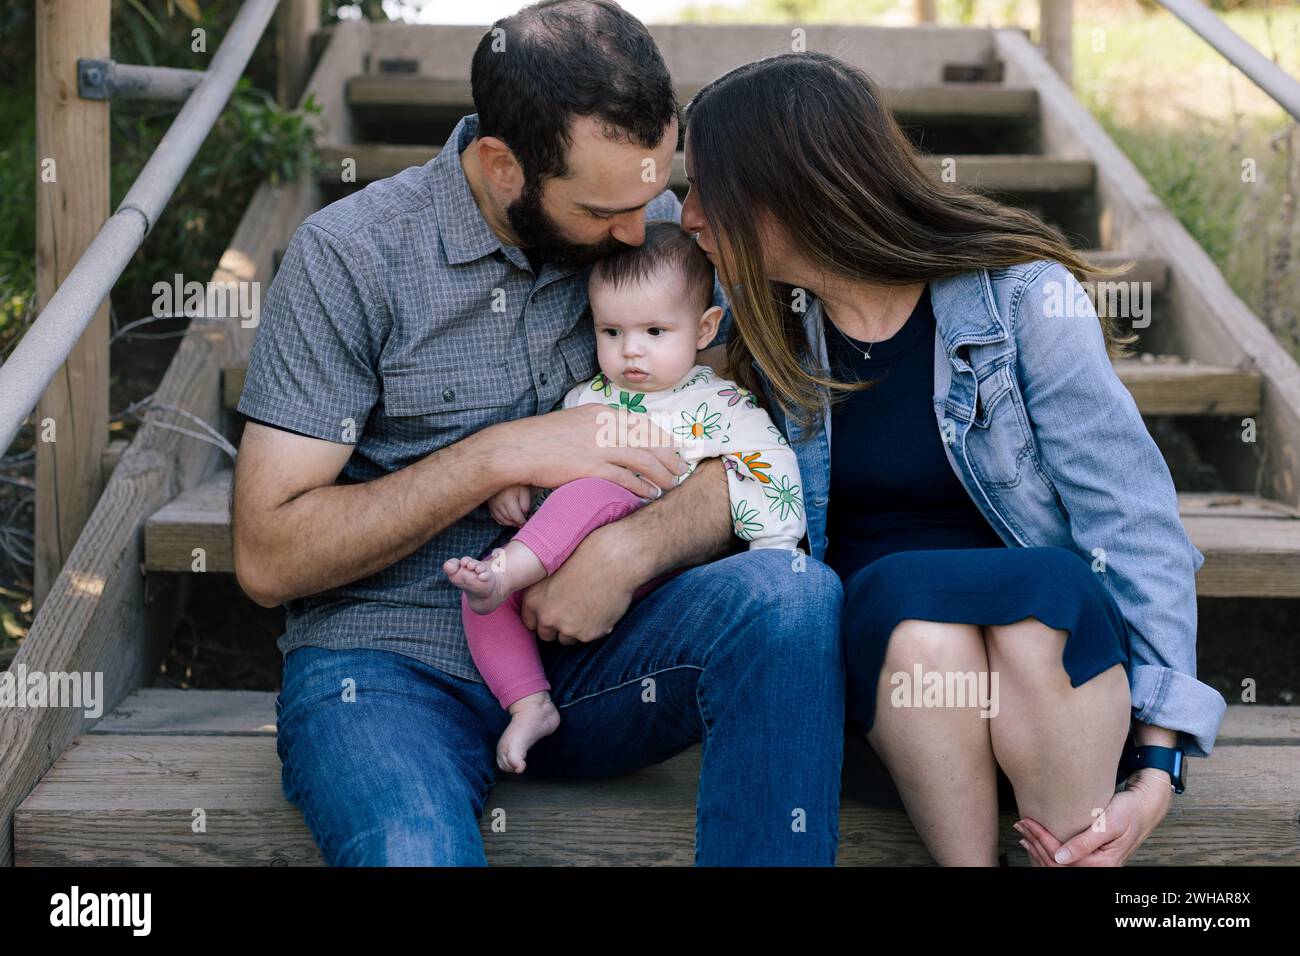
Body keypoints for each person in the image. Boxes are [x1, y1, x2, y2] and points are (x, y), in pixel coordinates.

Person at [231, 2, 844, 866]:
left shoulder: (657, 232)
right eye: (603, 210)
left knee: (792, 594)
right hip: (391, 668)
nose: (641, 229)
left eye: (651, 191)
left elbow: (744, 444)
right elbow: (267, 557)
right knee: (411, 853)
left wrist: (631, 553)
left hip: (604, 655)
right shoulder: (350, 257)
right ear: (501, 166)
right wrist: (501, 453)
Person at [679, 51, 1227, 866]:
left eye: (706, 189)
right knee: (917, 620)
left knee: (1048, 595)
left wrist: (1158, 763)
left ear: (790, 190)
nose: (688, 216)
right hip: (892, 700)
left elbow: (1132, 518)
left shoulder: (1020, 298)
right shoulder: (755, 330)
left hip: (1056, 697)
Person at [446, 223, 805, 774]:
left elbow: (769, 465)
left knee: (592, 492)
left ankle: (506, 571)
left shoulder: (723, 404)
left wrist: (774, 551)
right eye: (611, 332)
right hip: (558, 569)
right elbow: (544, 452)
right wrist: (517, 480)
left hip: (658, 582)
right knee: (480, 604)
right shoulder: (587, 399)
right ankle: (529, 703)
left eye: (656, 331)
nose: (631, 351)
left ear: (706, 327)